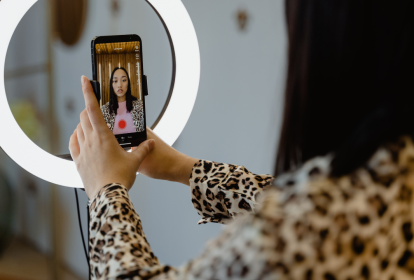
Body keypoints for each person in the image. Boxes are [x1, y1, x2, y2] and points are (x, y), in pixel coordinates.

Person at [69, 0, 414, 279]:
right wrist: (184, 168)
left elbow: (304, 214)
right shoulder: (396, 167)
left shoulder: (298, 231)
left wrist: (106, 191)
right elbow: (287, 196)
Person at [100, 67, 144, 134]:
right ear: (111, 85)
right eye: (115, 81)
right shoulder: (104, 110)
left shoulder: (140, 106)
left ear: (128, 83)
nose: (119, 85)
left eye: (123, 80)